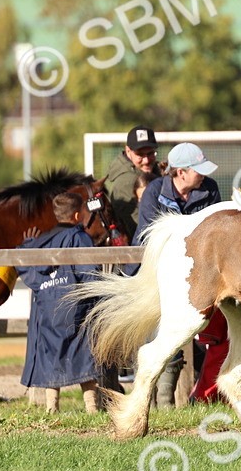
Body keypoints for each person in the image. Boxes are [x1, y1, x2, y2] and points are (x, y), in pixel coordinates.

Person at [134, 142, 222, 406]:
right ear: (181, 172)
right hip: (161, 275)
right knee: (160, 335)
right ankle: (155, 401)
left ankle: (184, 400)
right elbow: (148, 237)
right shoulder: (153, 192)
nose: (203, 175)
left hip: (202, 276)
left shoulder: (210, 189)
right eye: (198, 170)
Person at [16, 192, 102, 413]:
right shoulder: (79, 237)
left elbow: (24, 264)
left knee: (50, 354)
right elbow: (89, 273)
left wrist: (28, 244)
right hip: (74, 306)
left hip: (47, 307)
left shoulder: (41, 242)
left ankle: (51, 407)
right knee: (84, 353)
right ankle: (92, 407)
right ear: (76, 215)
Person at [105, 125, 159, 240]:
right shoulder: (125, 183)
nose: (146, 160)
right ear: (128, 151)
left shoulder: (155, 170)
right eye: (140, 154)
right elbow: (137, 228)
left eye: (150, 153)